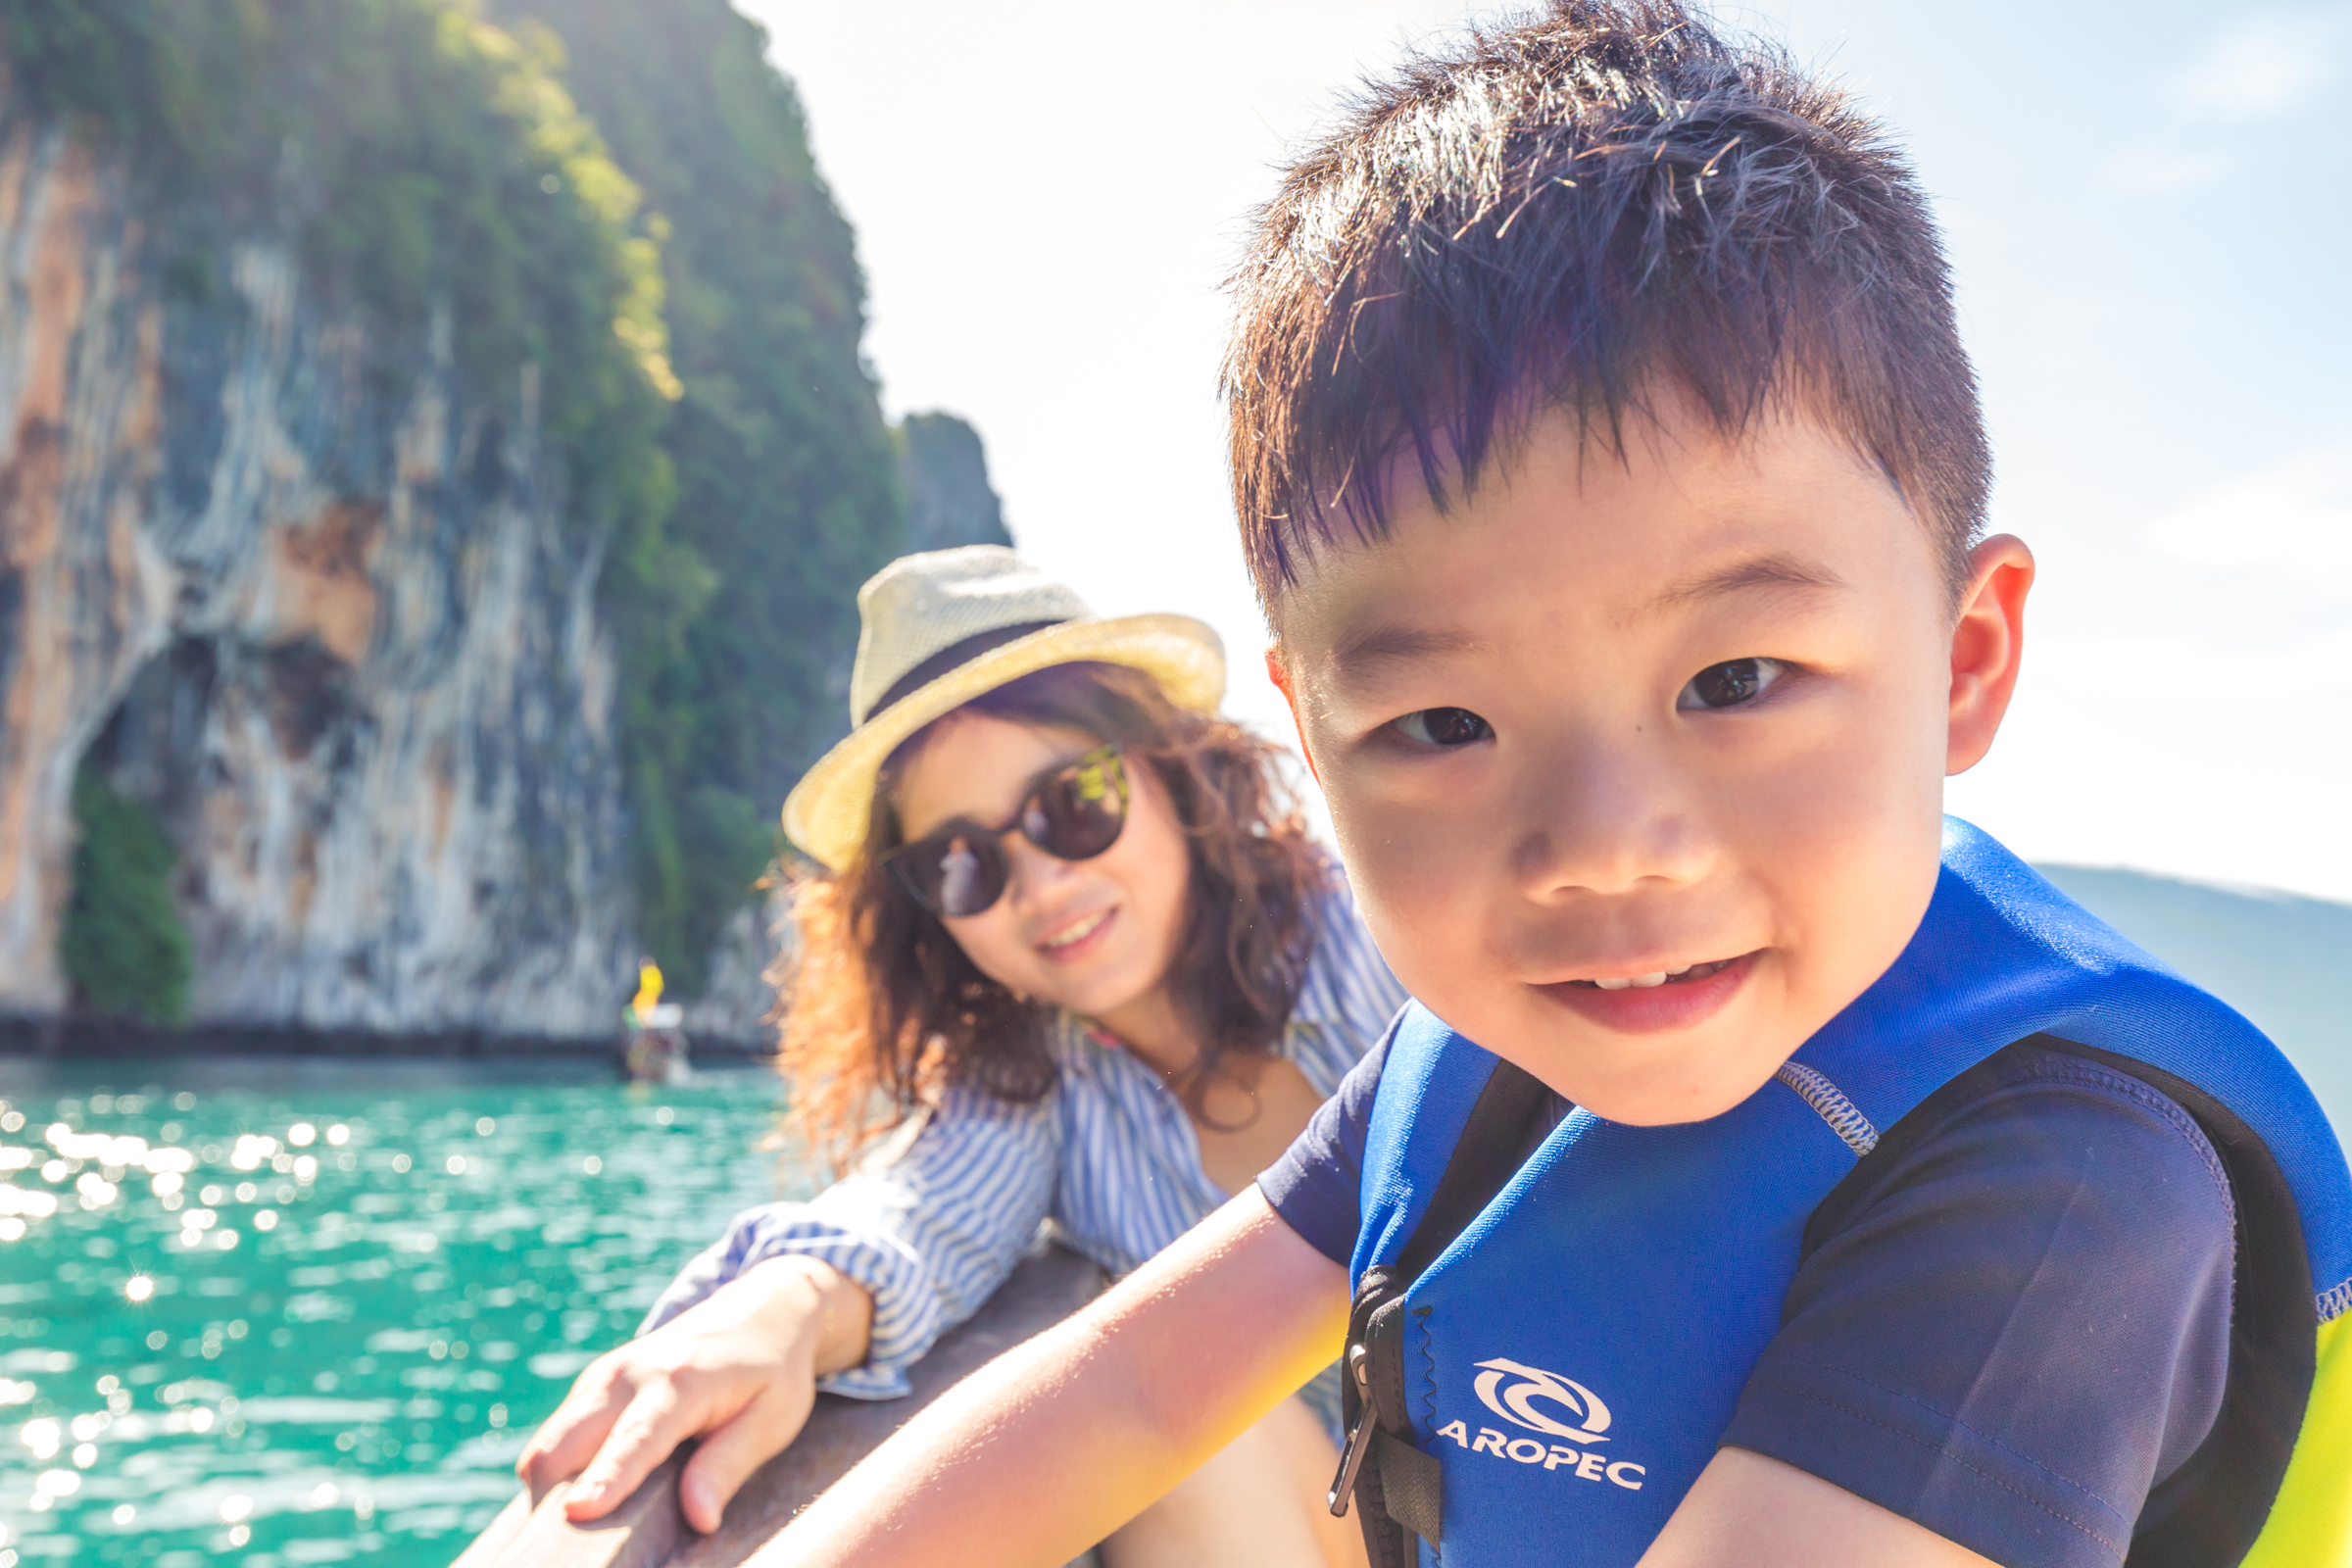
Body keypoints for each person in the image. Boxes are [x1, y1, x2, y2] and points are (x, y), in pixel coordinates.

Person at [738, 5, 2352, 1566]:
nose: (1599, 852)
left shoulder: (2068, 1195)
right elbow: (1132, 1390)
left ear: (1965, 664)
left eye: (1734, 683)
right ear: (1314, 735)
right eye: (1443, 726)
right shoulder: (1450, 1079)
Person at [518, 545, 1404, 1567]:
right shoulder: (1042, 1085)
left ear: (1171, 770)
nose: (1036, 884)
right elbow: (917, 1212)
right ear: (928, 917)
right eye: (960, 861)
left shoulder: (1380, 945)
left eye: (1075, 802)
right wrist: (783, 1311)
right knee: (1174, 1407)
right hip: (1344, 1525)